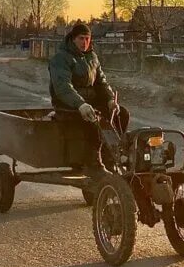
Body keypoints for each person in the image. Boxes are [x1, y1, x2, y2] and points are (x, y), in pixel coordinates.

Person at [48, 22, 130, 172]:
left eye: (87, 39)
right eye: (81, 38)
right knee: (95, 120)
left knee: (121, 114)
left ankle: (110, 155)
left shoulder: (92, 57)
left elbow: (101, 82)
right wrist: (80, 104)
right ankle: (93, 161)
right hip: (68, 106)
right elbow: (63, 88)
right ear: (73, 39)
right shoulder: (60, 59)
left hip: (90, 105)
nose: (84, 43)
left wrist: (110, 99)